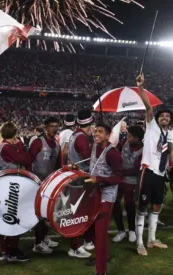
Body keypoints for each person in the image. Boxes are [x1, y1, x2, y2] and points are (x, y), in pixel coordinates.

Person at [134, 73, 173, 256]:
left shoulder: (171, 135)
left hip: (160, 175)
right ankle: (139, 243)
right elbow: (148, 107)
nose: (165, 118)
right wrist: (141, 87)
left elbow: (172, 153)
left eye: (168, 117)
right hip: (148, 170)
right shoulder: (151, 126)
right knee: (142, 207)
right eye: (163, 116)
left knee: (156, 206)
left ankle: (152, 239)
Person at [86, 123, 124, 275]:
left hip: (106, 197)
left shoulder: (112, 153)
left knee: (100, 234)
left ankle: (101, 271)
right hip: (93, 194)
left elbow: (119, 177)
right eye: (95, 131)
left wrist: (99, 179)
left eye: (100, 132)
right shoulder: (94, 146)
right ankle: (104, 255)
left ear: (108, 136)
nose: (96, 134)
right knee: (87, 229)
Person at [0, 122, 32, 262]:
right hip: (10, 187)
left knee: (6, 218)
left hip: (5, 185)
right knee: (13, 218)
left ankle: (4, 250)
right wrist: (21, 146)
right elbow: (25, 159)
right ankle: (12, 251)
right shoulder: (7, 147)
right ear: (14, 134)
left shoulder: (3, 145)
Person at [29, 117, 62, 255]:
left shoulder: (57, 144)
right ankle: (37, 243)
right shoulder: (38, 142)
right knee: (39, 215)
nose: (54, 128)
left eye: (56, 126)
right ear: (46, 127)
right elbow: (28, 160)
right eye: (51, 126)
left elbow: (57, 166)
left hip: (49, 184)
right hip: (37, 182)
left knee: (47, 214)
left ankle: (44, 238)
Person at [67, 110, 95, 251]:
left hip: (75, 175)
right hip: (82, 177)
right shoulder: (82, 138)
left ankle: (79, 241)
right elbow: (88, 157)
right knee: (84, 211)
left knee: (77, 210)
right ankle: (85, 241)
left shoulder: (75, 134)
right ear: (90, 124)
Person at [112, 126, 144, 243]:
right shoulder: (124, 142)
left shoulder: (143, 150)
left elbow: (136, 169)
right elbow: (116, 151)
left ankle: (131, 230)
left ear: (137, 139)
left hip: (132, 181)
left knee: (129, 205)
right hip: (120, 179)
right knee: (115, 202)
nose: (127, 137)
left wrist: (121, 171)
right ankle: (121, 230)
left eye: (130, 136)